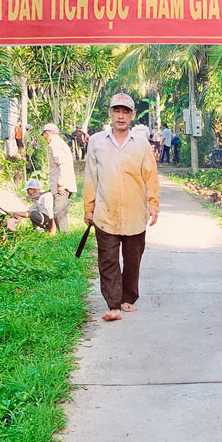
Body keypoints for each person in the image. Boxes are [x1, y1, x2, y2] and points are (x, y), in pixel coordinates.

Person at [84, 93, 160, 322]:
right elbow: (90, 177)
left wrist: (153, 205)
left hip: (135, 213)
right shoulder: (96, 142)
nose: (120, 116)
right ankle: (113, 304)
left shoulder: (141, 143)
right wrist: (88, 208)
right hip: (105, 213)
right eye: (117, 111)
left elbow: (151, 176)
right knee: (107, 260)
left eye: (125, 111)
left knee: (132, 258)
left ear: (133, 116)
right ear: (110, 113)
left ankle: (128, 297)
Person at [42, 123, 78, 233]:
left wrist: (61, 184)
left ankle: (64, 235)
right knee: (59, 211)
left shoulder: (55, 145)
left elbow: (62, 164)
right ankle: (62, 235)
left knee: (59, 212)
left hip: (62, 185)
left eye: (44, 135)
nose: (44, 138)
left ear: (47, 134)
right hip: (63, 183)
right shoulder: (59, 143)